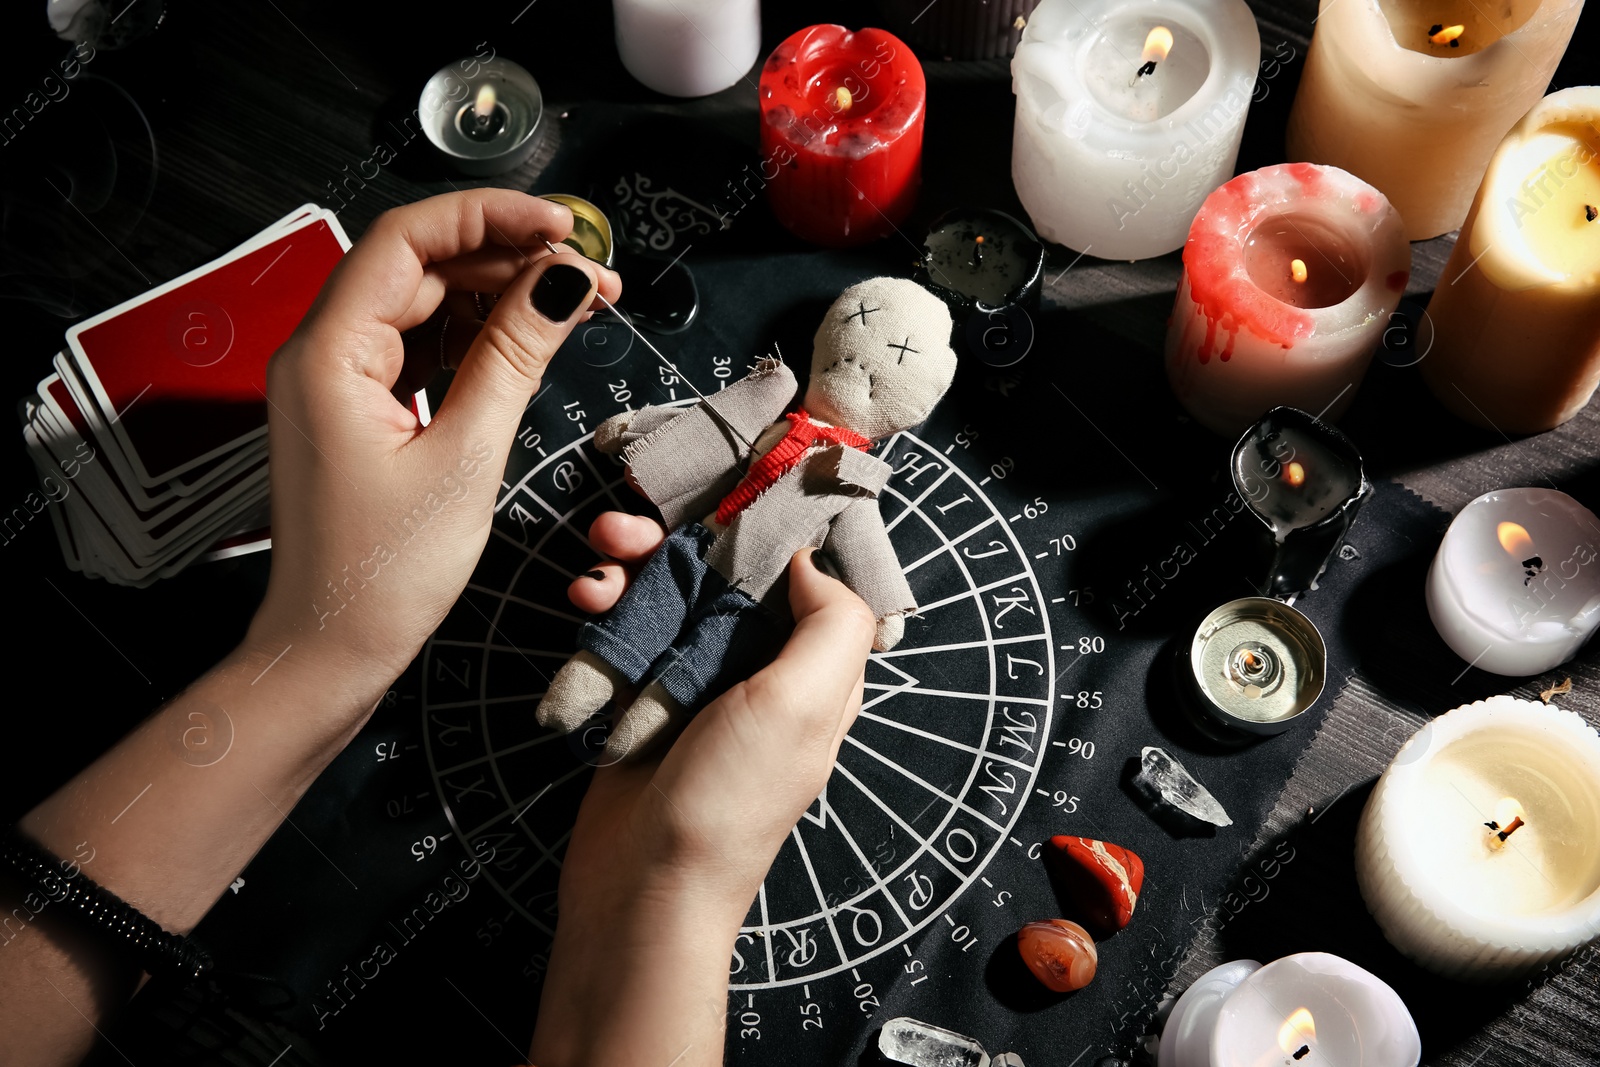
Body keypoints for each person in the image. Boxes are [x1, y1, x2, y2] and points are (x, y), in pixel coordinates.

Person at [0, 190, 877, 1067]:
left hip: (722, 582)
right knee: (643, 602)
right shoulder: (782, 403)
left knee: (670, 620)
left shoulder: (852, 472)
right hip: (692, 551)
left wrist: (321, 647)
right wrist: (671, 894)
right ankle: (597, 688)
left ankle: (622, 701)